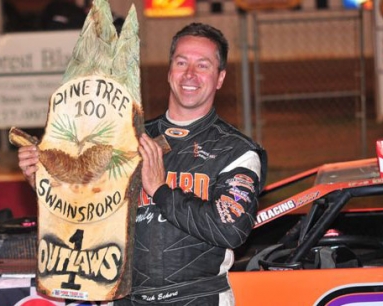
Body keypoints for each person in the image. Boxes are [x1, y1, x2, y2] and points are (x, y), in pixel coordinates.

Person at [18, 22, 267, 305]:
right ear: (169, 70)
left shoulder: (237, 150)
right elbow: (85, 212)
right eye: (181, 62)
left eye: (203, 65)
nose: (190, 74)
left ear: (220, 77)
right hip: (124, 297)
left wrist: (160, 189)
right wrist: (47, 182)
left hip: (198, 298)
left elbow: (230, 229)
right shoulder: (124, 139)